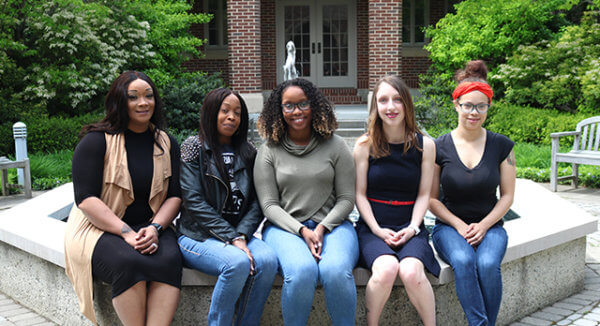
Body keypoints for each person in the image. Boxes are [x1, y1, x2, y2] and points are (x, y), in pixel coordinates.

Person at [64, 71, 183, 326]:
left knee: (170, 259)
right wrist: (126, 232)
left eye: (149, 96)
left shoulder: (166, 142)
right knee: (128, 261)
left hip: (151, 225)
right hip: (99, 228)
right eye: (134, 97)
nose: (143, 103)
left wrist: (155, 228)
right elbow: (85, 199)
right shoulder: (95, 141)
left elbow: (174, 196)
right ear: (121, 101)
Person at [254, 78, 359, 326]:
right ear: (279, 110)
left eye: (303, 104)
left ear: (314, 105)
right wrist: (301, 230)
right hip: (284, 229)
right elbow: (269, 206)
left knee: (335, 271)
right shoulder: (268, 151)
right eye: (288, 106)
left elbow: (346, 200)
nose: (297, 111)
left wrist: (321, 228)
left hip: (334, 227)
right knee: (301, 272)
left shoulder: (336, 145)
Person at [177, 88, 278, 326]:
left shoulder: (248, 152)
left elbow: (257, 201)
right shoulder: (194, 147)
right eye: (225, 111)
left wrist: (241, 234)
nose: (231, 117)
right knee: (235, 263)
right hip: (198, 236)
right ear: (211, 112)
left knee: (268, 261)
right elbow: (193, 202)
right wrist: (233, 237)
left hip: (238, 234)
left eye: (237, 112)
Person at [429, 60, 516, 326]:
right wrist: (459, 225)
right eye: (468, 105)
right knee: (464, 260)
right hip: (449, 228)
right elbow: (431, 199)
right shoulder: (438, 146)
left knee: (488, 264)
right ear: (456, 104)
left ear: (489, 106)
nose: (474, 112)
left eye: (481, 106)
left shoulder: (502, 146)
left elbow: (508, 197)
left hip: (491, 227)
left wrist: (484, 225)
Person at [353, 75, 440, 326]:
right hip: (373, 227)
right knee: (387, 269)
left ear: (407, 105)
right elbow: (360, 194)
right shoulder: (364, 145)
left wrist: (413, 228)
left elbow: (425, 194)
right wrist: (378, 230)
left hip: (410, 225)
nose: (390, 107)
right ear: (375, 107)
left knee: (412, 272)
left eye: (397, 100)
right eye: (383, 100)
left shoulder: (426, 145)